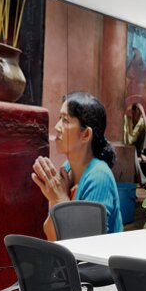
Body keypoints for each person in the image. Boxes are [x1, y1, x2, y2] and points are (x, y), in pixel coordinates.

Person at [32, 92, 123, 239]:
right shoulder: (67, 167)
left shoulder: (99, 176)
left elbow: (85, 248)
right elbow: (51, 235)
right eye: (59, 118)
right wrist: (55, 200)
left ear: (86, 134)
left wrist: (59, 200)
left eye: (66, 120)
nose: (56, 127)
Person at [123, 101, 146, 185]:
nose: (139, 115)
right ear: (133, 112)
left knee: (145, 132)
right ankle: (143, 181)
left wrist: (143, 112)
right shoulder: (126, 119)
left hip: (136, 147)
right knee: (132, 151)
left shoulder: (141, 121)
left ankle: (141, 152)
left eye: (140, 113)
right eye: (138, 112)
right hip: (127, 147)